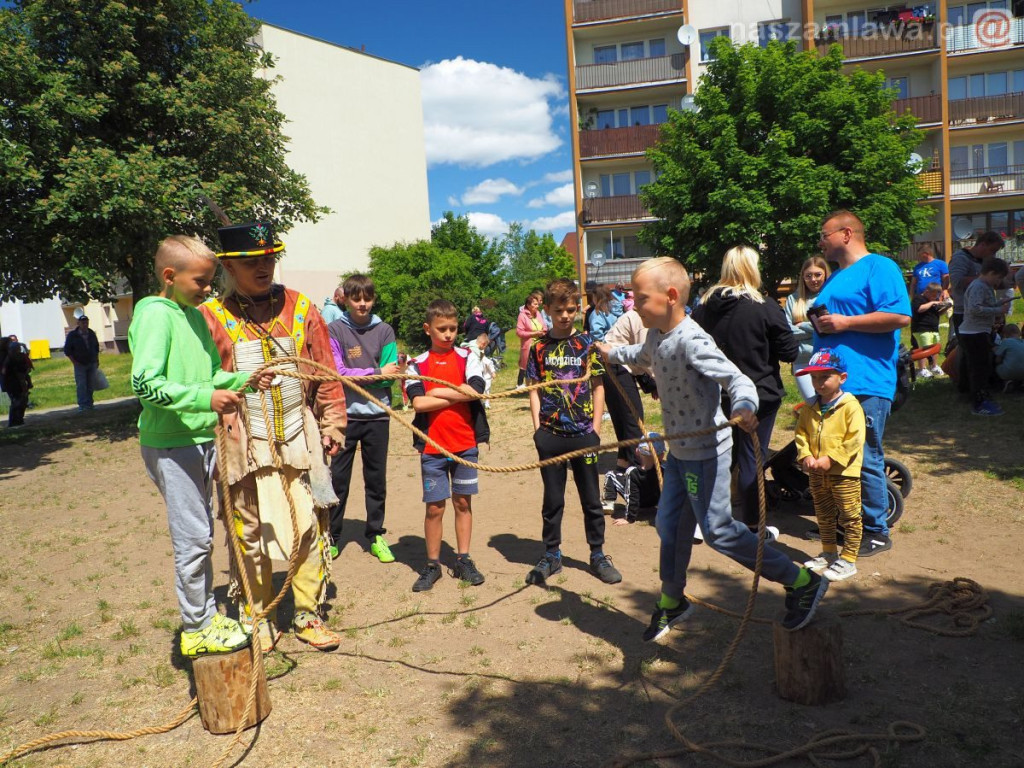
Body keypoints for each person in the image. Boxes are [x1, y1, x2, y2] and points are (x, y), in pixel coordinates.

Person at [597, 257, 828, 641]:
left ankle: (801, 580)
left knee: (719, 531)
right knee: (670, 528)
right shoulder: (656, 336)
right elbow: (639, 358)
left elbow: (738, 380)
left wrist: (743, 407)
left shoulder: (693, 339)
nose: (634, 305)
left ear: (671, 297)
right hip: (679, 455)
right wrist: (610, 352)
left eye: (640, 298)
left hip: (706, 452)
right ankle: (673, 601)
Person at [201, 221, 346, 653]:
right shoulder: (212, 317)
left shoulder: (301, 309)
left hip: (299, 438)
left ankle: (307, 613)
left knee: (307, 525)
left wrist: (332, 422)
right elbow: (203, 379)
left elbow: (325, 374)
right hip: (241, 443)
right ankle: (256, 614)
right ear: (229, 265)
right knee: (249, 530)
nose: (264, 267)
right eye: (252, 262)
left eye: (269, 258)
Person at [129, 235, 275, 657]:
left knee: (203, 534)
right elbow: (144, 383)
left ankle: (206, 617)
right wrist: (204, 400)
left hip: (198, 440)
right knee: (193, 538)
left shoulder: (193, 316)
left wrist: (243, 382)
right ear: (169, 276)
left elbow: (211, 373)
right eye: (202, 280)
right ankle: (197, 627)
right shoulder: (154, 315)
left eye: (211, 280)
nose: (209, 288)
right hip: (172, 445)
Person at [811, 210, 911, 558]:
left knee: (863, 455)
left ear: (847, 234)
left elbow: (899, 316)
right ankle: (846, 520)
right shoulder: (837, 276)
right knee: (833, 452)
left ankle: (876, 530)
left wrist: (845, 323)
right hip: (833, 382)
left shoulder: (879, 267)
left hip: (866, 380)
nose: (820, 242)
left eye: (824, 235)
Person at [693, 246, 799, 534]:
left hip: (717, 393)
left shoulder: (703, 308)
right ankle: (753, 523)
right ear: (753, 269)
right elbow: (789, 351)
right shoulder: (764, 307)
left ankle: (705, 519)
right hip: (758, 394)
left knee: (718, 455)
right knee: (752, 458)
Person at [524, 278, 621, 586]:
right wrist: (538, 429)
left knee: (591, 499)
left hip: (583, 434)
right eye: (558, 310)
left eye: (570, 309)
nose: (565, 316)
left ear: (577, 309)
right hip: (550, 435)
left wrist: (595, 429)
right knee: (552, 500)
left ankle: (597, 554)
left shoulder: (587, 344)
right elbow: (534, 390)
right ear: (548, 311)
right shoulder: (539, 347)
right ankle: (551, 555)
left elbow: (597, 386)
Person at [404, 299, 489, 592]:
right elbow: (418, 402)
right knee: (435, 508)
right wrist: (456, 392)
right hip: (432, 449)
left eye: (453, 328)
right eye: (442, 329)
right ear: (428, 329)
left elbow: (476, 390)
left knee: (463, 503)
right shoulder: (417, 363)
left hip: (465, 445)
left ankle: (463, 559)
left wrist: (438, 390)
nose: (448, 334)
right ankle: (432, 565)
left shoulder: (469, 356)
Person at [326, 273, 402, 564]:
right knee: (338, 479)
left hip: (377, 416)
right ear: (345, 298)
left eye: (367, 298)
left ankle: (375, 535)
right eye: (356, 298)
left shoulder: (384, 330)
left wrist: (375, 377)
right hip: (344, 416)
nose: (362, 304)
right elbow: (337, 373)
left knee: (376, 479)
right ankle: (332, 537)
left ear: (373, 299)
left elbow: (390, 377)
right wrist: (374, 374)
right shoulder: (334, 329)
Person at [794, 348, 865, 583]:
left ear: (842, 378)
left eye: (825, 377)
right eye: (814, 377)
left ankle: (849, 558)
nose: (818, 382)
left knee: (849, 516)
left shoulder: (850, 406)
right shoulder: (810, 407)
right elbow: (801, 433)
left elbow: (854, 438)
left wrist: (830, 459)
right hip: (816, 472)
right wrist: (805, 455)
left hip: (843, 473)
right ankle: (828, 552)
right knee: (823, 514)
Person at [959, 258, 1014, 416]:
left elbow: (984, 305)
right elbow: (975, 309)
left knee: (984, 366)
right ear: (991, 273)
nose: (998, 282)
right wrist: (998, 311)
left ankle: (982, 395)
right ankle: (978, 403)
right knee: (979, 369)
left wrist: (999, 304)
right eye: (998, 278)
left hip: (980, 331)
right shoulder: (978, 286)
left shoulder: (985, 286)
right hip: (973, 334)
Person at [600, 308, 648, 476]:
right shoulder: (643, 318)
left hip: (622, 365)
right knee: (633, 422)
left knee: (626, 425)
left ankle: (621, 470)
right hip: (614, 365)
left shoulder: (652, 316)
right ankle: (638, 475)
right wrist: (656, 383)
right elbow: (647, 358)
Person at [948, 231, 1004, 356]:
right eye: (992, 250)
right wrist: (985, 278)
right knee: (970, 354)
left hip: (984, 312)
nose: (993, 254)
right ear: (982, 244)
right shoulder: (960, 258)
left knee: (984, 352)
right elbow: (957, 282)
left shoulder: (985, 261)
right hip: (964, 313)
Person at [784, 257, 831, 403]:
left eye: (818, 274)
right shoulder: (794, 299)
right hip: (802, 360)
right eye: (808, 276)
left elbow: (829, 328)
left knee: (831, 406)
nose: (813, 279)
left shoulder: (830, 296)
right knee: (812, 405)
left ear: (825, 274)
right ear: (803, 277)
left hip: (828, 360)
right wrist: (816, 328)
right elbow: (787, 331)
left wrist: (802, 324)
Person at [910, 282, 948, 378]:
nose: (934, 297)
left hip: (934, 328)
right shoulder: (918, 299)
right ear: (927, 291)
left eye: (936, 296)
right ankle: (922, 369)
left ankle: (934, 366)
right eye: (933, 295)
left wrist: (946, 307)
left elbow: (937, 314)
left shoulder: (933, 302)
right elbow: (919, 309)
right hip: (922, 328)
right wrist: (931, 303)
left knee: (935, 348)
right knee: (924, 348)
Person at [64, 315, 100, 411]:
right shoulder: (73, 335)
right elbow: (67, 350)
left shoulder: (91, 333)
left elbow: (96, 347)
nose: (85, 324)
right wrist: (74, 362)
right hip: (79, 364)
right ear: (78, 323)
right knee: (81, 385)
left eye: (86, 322)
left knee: (90, 384)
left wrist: (97, 360)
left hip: (91, 362)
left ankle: (90, 403)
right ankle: (82, 405)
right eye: (83, 322)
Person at [515, 290, 548, 389]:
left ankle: (539, 384)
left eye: (538, 304)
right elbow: (519, 332)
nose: (537, 306)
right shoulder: (522, 316)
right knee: (526, 366)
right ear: (528, 305)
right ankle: (524, 386)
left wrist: (544, 331)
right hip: (529, 345)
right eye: (535, 304)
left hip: (541, 344)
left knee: (540, 365)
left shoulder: (538, 313)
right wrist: (534, 334)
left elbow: (544, 326)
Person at [1, 337, 31, 428]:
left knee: (19, 399)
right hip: (13, 381)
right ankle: (15, 420)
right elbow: (5, 371)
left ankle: (17, 420)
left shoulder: (10, 356)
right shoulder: (7, 357)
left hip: (13, 381)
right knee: (17, 400)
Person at [465, 332, 497, 407]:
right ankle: (483, 403)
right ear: (483, 344)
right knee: (478, 391)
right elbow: (488, 362)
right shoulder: (477, 353)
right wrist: (493, 371)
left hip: (468, 376)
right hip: (475, 376)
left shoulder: (469, 348)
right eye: (485, 346)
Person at [995, 323, 1024, 392]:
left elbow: (998, 360)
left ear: (1005, 334)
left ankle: (1007, 381)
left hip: (1009, 372)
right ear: (1019, 333)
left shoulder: (1006, 342)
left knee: (998, 366)